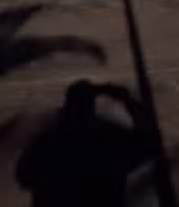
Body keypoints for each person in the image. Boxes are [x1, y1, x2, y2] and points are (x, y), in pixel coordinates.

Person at [16, 80, 151, 207]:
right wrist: (126, 99)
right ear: (91, 111)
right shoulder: (110, 141)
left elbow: (23, 178)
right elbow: (149, 143)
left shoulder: (43, 145)